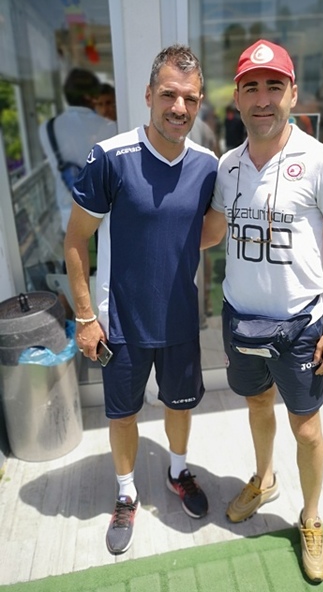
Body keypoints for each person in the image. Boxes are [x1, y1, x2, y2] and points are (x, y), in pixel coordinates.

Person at [201, 39, 323, 583]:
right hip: (241, 318)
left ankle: (311, 517)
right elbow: (212, 232)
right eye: (251, 87)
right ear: (237, 99)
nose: (263, 98)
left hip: (300, 326)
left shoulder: (321, 161)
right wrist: (148, 228)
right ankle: (264, 479)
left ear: (293, 93)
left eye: (274, 86)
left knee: (308, 430)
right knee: (256, 404)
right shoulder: (227, 166)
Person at [64, 44, 218, 555]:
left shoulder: (207, 165)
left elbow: (207, 230)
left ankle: (177, 471)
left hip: (179, 319)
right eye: (169, 94)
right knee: (123, 415)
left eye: (190, 98)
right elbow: (75, 240)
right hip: (121, 323)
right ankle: (127, 492)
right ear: (149, 95)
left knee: (180, 406)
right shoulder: (110, 157)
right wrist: (85, 316)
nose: (179, 107)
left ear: (199, 103)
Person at [39, 69, 117, 235]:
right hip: (103, 214)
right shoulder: (110, 127)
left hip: (67, 209)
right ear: (91, 96)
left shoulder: (46, 128)